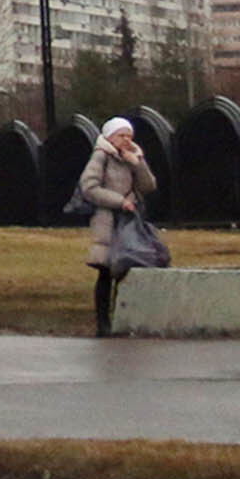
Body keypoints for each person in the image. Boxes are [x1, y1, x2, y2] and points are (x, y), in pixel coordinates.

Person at [76, 117, 157, 336]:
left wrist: (138, 162)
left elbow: (148, 186)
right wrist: (119, 201)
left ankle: (123, 319)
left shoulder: (131, 157)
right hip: (108, 220)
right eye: (122, 135)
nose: (126, 140)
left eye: (130, 136)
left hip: (130, 220)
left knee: (128, 268)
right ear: (110, 136)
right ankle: (103, 323)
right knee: (105, 271)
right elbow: (89, 187)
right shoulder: (101, 156)